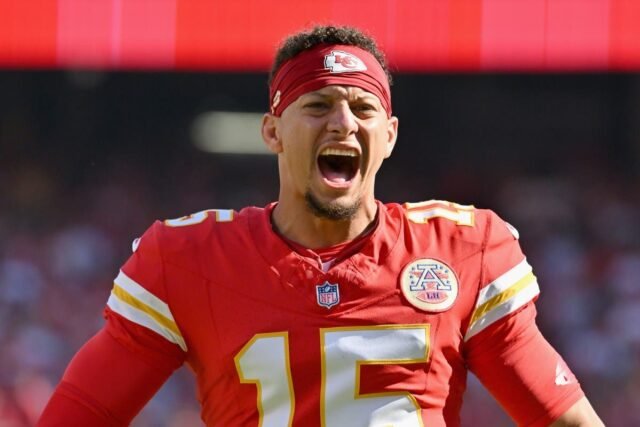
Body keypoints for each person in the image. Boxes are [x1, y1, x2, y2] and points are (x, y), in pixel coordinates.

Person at [39, 25, 603, 427]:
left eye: (363, 108)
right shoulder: (188, 259)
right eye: (318, 105)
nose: (343, 122)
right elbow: (80, 415)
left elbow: (564, 420)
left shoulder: (462, 249)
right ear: (272, 131)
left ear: (390, 135)